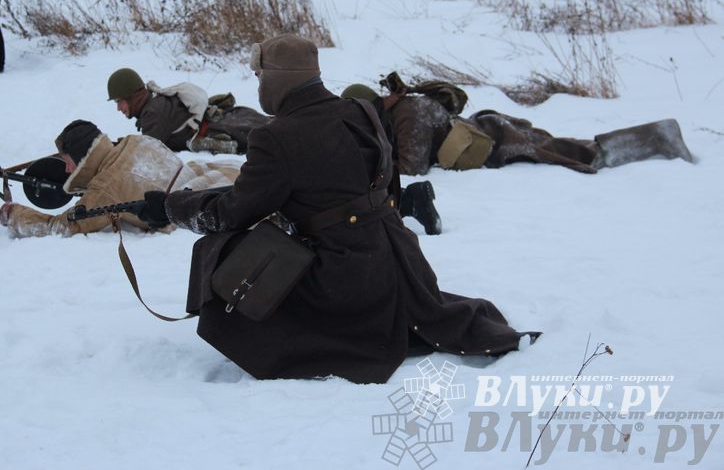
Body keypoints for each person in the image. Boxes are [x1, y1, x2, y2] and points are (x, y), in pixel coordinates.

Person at [137, 34, 531, 384]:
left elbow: (232, 212)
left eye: (260, 78)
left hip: (345, 277)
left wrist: (170, 207)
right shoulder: (362, 109)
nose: (256, 87)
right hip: (401, 260)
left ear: (276, 79)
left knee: (222, 247)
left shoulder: (275, 136)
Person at [340, 83, 695, 175]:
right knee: (560, 145)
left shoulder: (407, 115)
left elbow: (412, 167)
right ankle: (657, 139)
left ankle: (657, 139)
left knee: (576, 153)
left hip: (493, 140)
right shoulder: (402, 108)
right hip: (486, 128)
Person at [0, 120, 241, 238]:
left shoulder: (105, 187)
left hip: (199, 207)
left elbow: (62, 227)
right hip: (225, 175)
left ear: (81, 156)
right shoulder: (136, 141)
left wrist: (16, 215)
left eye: (68, 160)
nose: (66, 168)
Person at [107, 67, 270, 154]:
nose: (118, 108)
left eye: (119, 102)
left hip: (220, 129)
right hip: (227, 119)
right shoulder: (155, 101)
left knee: (270, 137)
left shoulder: (153, 114)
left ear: (132, 96)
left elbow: (145, 151)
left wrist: (113, 148)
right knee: (270, 128)